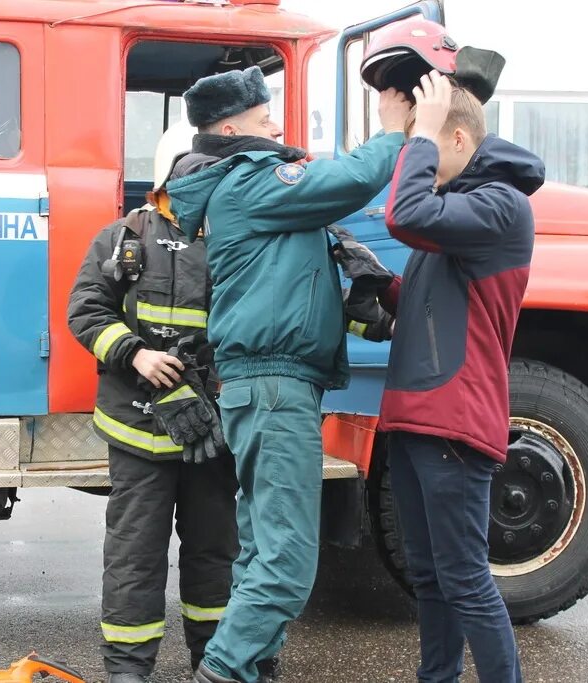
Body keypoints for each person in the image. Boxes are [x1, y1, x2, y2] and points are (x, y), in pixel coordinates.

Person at [165, 65, 411, 683]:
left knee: (258, 554)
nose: (277, 124)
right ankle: (222, 672)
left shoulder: (246, 193)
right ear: (230, 127)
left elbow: (307, 287)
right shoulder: (250, 182)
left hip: (265, 388)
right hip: (274, 390)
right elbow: (354, 178)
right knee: (288, 562)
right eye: (263, 116)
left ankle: (249, 669)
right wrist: (394, 130)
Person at [377, 72, 546, 682]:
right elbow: (439, 304)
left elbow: (405, 213)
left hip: (452, 418)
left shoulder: (501, 204)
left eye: (420, 140)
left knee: (466, 578)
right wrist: (380, 286)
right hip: (420, 415)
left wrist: (417, 134)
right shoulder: (463, 211)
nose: (409, 153)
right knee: (430, 576)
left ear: (453, 135)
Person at [67, 126, 239, 683]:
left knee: (214, 558)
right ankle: (127, 673)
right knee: (134, 561)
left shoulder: (240, 237)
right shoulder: (124, 236)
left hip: (211, 434)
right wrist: (135, 355)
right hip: (138, 435)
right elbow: (86, 312)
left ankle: (212, 666)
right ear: (172, 175)